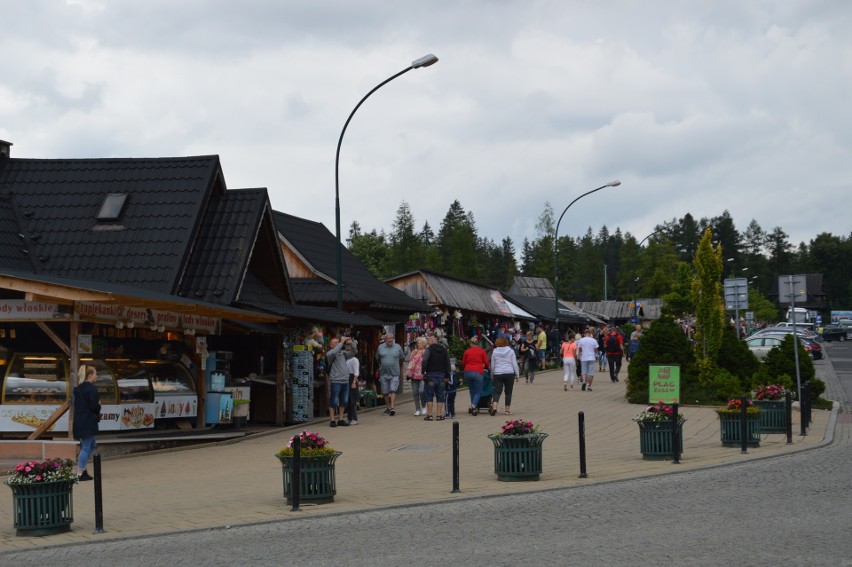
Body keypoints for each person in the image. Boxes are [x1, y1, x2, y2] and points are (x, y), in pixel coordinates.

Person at [73, 364, 101, 481]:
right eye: (95, 374)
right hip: (87, 422)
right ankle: (80, 472)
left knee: (92, 445)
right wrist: (99, 405)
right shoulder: (91, 389)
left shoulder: (79, 388)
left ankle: (82, 469)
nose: (96, 376)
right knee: (86, 447)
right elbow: (94, 406)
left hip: (80, 421)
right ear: (90, 375)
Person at [421, 334, 451, 421]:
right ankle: (439, 415)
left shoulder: (429, 350)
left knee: (429, 395)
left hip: (431, 376)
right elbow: (447, 363)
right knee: (440, 395)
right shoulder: (444, 350)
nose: (428, 342)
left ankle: (430, 415)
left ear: (433, 341)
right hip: (441, 376)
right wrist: (447, 375)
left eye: (429, 340)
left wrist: (424, 371)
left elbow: (425, 361)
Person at [326, 336, 354, 427]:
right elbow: (334, 351)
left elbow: (354, 352)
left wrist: (351, 344)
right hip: (336, 380)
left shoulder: (343, 353)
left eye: (338, 342)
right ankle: (332, 420)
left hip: (345, 380)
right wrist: (342, 342)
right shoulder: (329, 354)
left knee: (344, 401)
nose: (338, 344)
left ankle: (341, 419)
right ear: (331, 345)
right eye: (335, 342)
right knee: (333, 401)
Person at [489, 336, 520, 415]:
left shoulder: (494, 352)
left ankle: (495, 406)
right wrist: (517, 375)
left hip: (498, 373)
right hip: (509, 373)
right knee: (508, 392)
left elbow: (492, 365)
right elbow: (514, 364)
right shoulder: (511, 351)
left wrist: (492, 375)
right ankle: (507, 410)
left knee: (497, 391)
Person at [376, 333, 404, 416]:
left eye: (391, 338)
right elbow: (377, 358)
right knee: (385, 392)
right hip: (384, 373)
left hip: (395, 372)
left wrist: (399, 368)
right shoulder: (380, 347)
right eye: (388, 338)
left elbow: (402, 358)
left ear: (393, 338)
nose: (389, 340)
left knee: (393, 389)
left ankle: (392, 408)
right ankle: (387, 407)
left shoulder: (398, 347)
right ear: (385, 339)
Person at [462, 336, 489, 415]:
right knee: (478, 391)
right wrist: (485, 367)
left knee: (472, 390)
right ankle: (473, 406)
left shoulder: (467, 351)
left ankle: (474, 408)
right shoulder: (482, 351)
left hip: (468, 372)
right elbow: (487, 363)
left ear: (471, 344)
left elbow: (463, 362)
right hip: (478, 372)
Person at [406, 337, 427, 416]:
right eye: (417, 343)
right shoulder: (414, 351)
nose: (418, 344)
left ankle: (424, 406)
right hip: (414, 374)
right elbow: (410, 361)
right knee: (415, 392)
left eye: (420, 343)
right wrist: (413, 355)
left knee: (421, 391)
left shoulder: (426, 352)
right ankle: (417, 409)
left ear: (424, 344)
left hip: (422, 374)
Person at [346, 340, 361, 425]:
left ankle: (354, 418)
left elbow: (356, 372)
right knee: (348, 399)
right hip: (346, 378)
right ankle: (349, 417)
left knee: (352, 400)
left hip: (352, 378)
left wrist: (354, 382)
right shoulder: (346, 359)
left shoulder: (354, 360)